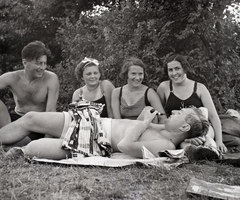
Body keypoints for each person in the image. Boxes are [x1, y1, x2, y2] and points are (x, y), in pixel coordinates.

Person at [0, 106, 209, 159]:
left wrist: (144, 122)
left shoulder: (166, 145)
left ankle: (15, 149)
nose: (173, 111)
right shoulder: (164, 129)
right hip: (94, 122)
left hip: (95, 141)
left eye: (180, 113)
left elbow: (126, 146)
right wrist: (143, 121)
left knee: (31, 149)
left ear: (184, 127)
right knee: (32, 118)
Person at [157, 54, 227, 154]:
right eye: (170, 70)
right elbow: (159, 112)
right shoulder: (164, 87)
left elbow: (213, 116)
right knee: (183, 143)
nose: (174, 73)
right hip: (179, 130)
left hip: (201, 128)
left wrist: (219, 140)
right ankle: (194, 153)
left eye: (177, 68)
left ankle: (211, 148)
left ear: (185, 68)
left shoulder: (199, 88)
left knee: (205, 137)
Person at [0, 41, 59, 144]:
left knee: (13, 145)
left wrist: (46, 141)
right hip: (15, 121)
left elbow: (51, 112)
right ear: (25, 62)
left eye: (44, 63)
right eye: (39, 63)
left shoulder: (51, 79)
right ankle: (7, 137)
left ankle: (8, 141)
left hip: (36, 125)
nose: (43, 67)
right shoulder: (13, 77)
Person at [111, 57, 166, 123]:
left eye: (140, 74)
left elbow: (163, 118)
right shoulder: (117, 93)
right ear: (126, 74)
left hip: (146, 129)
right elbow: (117, 121)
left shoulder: (149, 93)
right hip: (123, 129)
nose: (137, 78)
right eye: (133, 74)